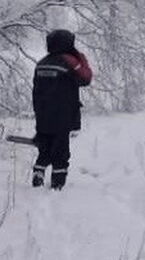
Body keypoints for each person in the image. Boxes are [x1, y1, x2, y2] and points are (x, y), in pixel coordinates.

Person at [31, 29, 92, 190]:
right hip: (63, 115)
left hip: (42, 114)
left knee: (44, 148)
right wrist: (81, 60)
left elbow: (36, 90)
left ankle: (38, 174)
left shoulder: (42, 63)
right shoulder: (70, 61)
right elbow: (86, 78)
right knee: (60, 151)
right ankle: (57, 184)